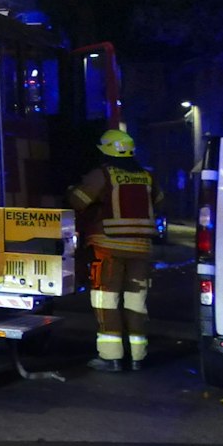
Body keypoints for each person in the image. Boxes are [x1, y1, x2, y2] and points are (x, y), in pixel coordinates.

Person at [68, 128, 163, 371]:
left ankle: (111, 358)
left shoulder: (103, 175)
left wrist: (72, 189)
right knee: (136, 302)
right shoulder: (147, 176)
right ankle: (138, 357)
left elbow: (77, 201)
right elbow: (160, 201)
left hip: (108, 249)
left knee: (107, 301)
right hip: (141, 249)